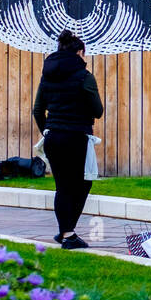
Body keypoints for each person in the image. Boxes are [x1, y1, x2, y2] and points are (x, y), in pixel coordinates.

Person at [33, 29, 104, 249]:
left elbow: (37, 110)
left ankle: (66, 232)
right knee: (82, 184)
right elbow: (98, 110)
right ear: (80, 52)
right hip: (76, 137)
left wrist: (47, 130)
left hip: (53, 136)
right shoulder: (84, 76)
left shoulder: (47, 75)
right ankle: (68, 233)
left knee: (63, 185)